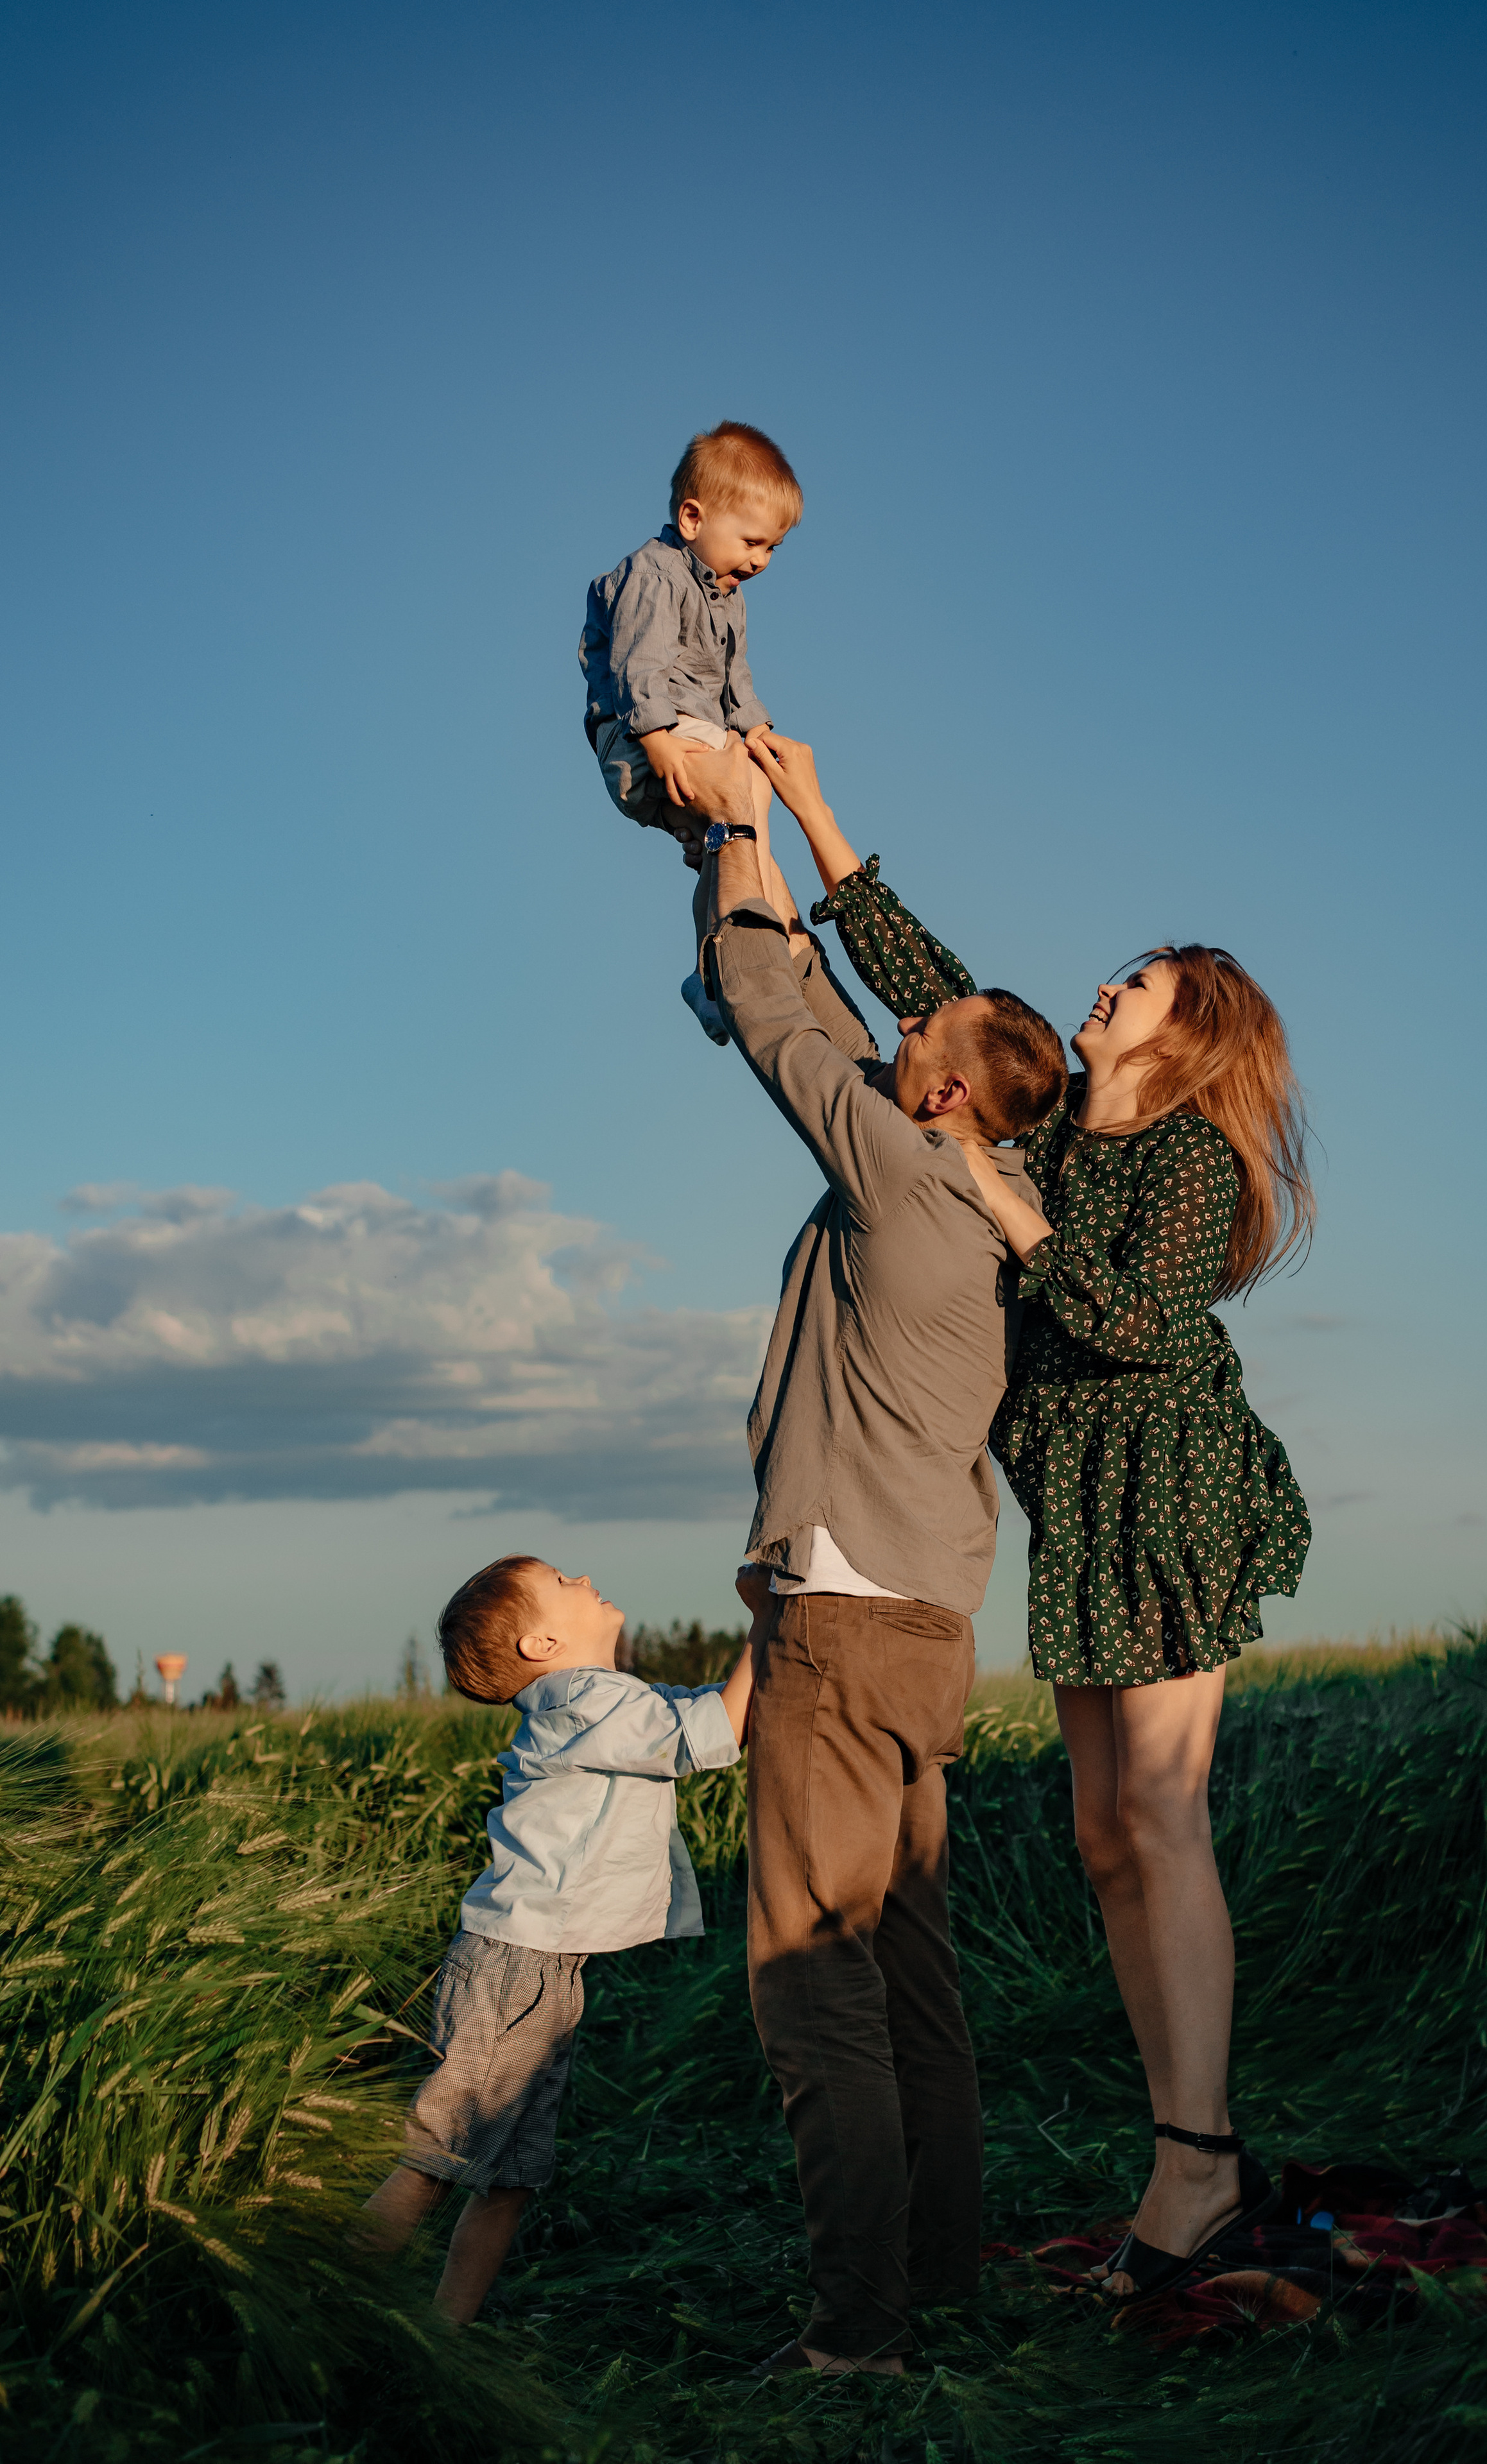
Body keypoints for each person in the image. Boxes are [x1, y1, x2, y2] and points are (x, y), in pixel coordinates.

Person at [750, 728, 1312, 2309]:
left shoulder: (1187, 1156)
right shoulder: (1057, 1120)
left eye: (1138, 982)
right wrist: (807, 809)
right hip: (1075, 1501)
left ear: (1188, 1028)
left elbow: (1137, 1321)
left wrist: (1004, 1206)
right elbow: (932, 977)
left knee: (1158, 1815)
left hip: (1169, 1485)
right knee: (1096, 1831)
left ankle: (1196, 2157)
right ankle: (1176, 2143)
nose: (1106, 986)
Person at [687, 737, 1067, 2375]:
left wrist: (728, 843)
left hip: (836, 1634)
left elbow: (783, 1024)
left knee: (810, 1981)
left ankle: (857, 2331)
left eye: (922, 1036)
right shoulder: (992, 1190)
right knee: (912, 1973)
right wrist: (793, 831)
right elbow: (854, 1027)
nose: (900, 1028)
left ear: (944, 1092)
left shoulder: (899, 1169)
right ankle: (941, 2285)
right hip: (928, 1621)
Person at [360, 1555, 753, 2322]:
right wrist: (766, 1620)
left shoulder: (604, 1698)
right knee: (438, 2157)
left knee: (509, 2178)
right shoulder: (582, 1699)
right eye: (561, 1582)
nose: (583, 1578)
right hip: (517, 1969)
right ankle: (326, 2305)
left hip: (537, 1968)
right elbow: (716, 1729)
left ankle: (446, 2337)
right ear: (541, 1646)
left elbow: (704, 1713)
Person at [579, 420, 803, 1040]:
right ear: (692, 519)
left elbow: (736, 680)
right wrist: (656, 738)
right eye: (753, 542)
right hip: (644, 738)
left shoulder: (729, 597)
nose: (759, 561)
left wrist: (757, 730)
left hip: (694, 732)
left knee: (740, 825)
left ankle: (711, 979)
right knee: (741, 803)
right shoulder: (653, 573)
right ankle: (754, 943)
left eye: (773, 549)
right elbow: (636, 664)